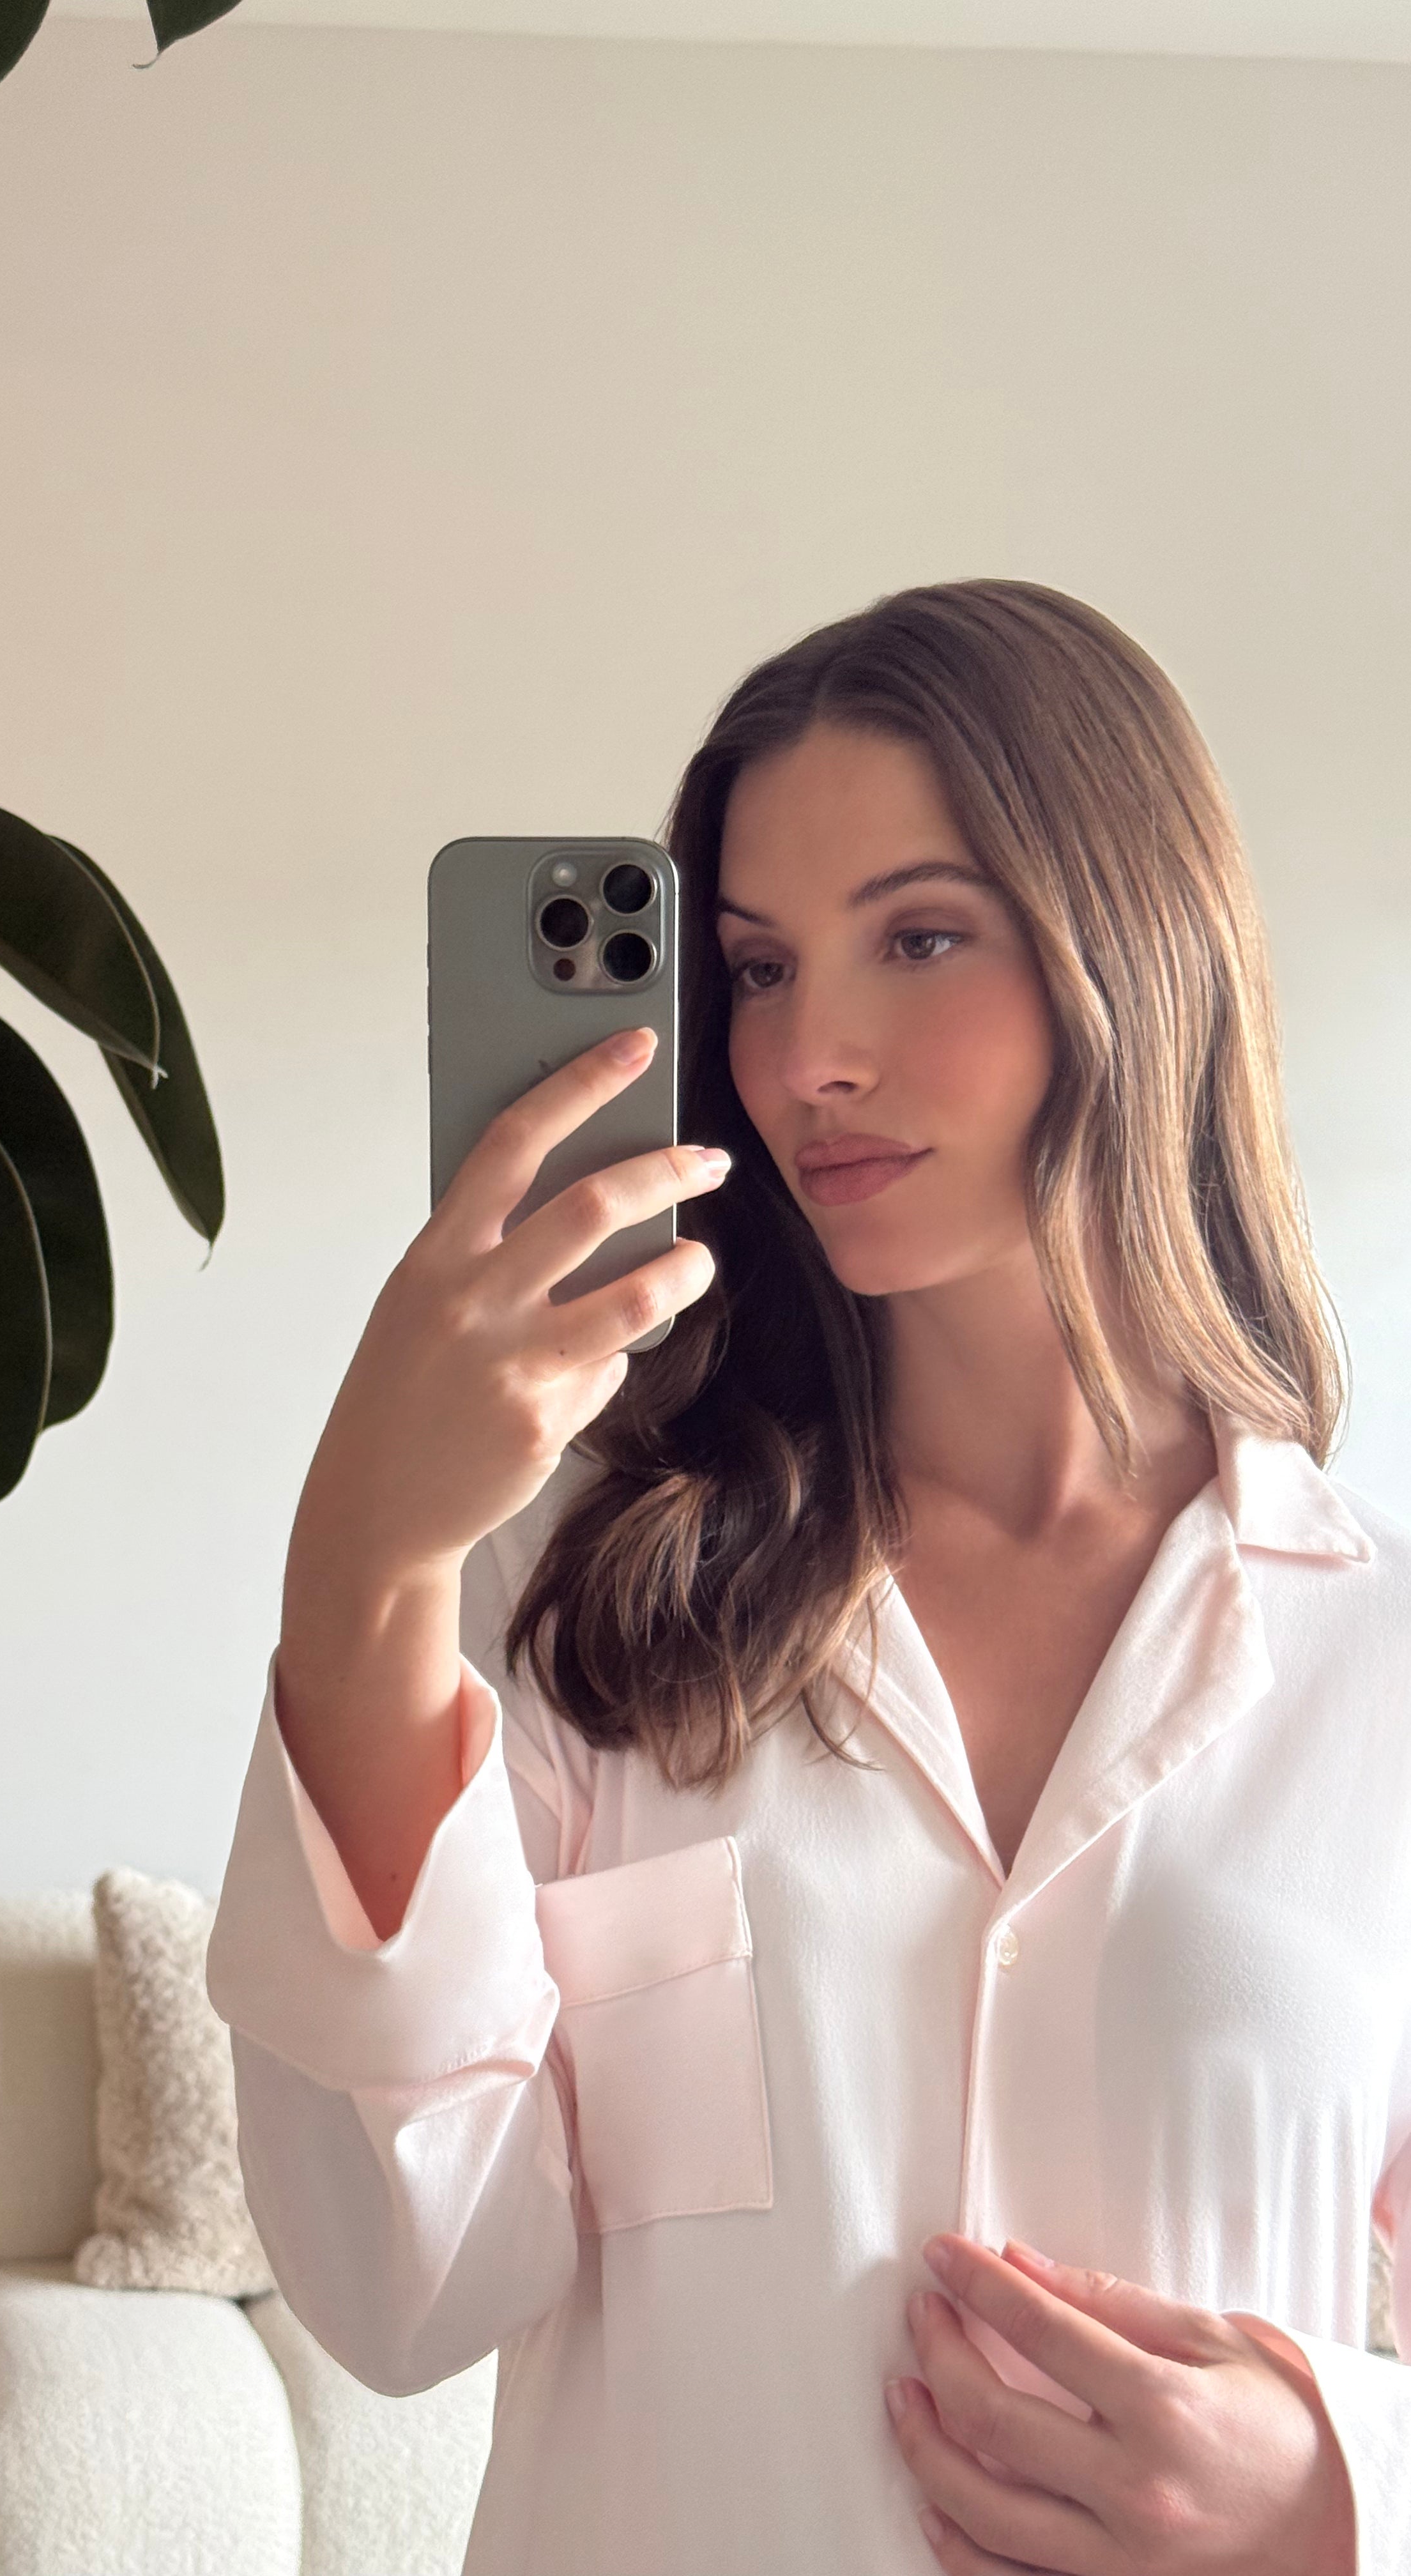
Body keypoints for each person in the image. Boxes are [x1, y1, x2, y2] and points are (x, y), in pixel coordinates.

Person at [206, 579, 1411, 2575]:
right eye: (756, 971)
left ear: (1137, 947)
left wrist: (1338, 2485)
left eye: (919, 938)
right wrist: (360, 1585)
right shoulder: (576, 1579)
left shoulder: (1372, 1656)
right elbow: (398, 2291)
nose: (809, 1057)